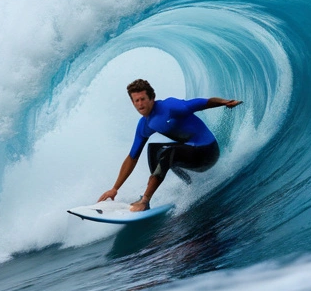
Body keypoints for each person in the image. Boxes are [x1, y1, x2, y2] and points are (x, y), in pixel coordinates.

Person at [98, 78, 241, 212]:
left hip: (208, 152)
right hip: (191, 155)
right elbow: (132, 157)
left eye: (143, 99)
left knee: (167, 152)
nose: (140, 104)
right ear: (132, 102)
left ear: (152, 99)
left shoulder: (169, 107)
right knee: (153, 149)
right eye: (136, 100)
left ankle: (145, 199)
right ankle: (189, 185)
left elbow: (198, 103)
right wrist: (115, 188)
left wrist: (224, 102)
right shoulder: (144, 125)